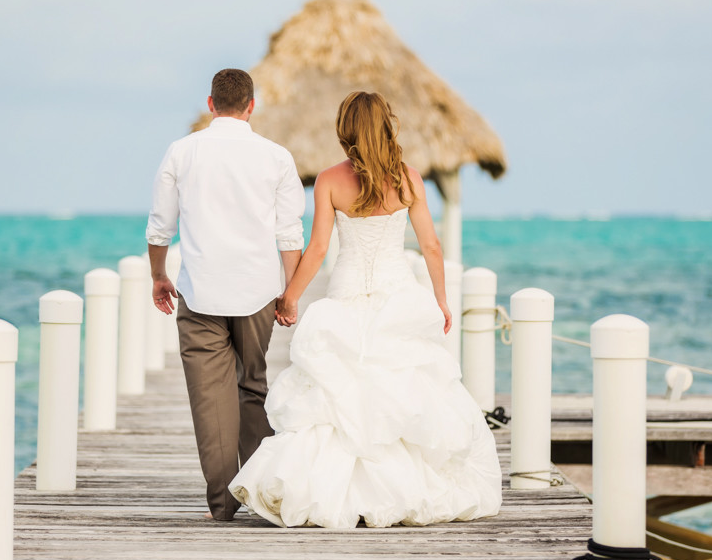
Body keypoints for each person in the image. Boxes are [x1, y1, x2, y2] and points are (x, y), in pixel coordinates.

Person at [229, 91, 502, 528]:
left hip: (348, 292)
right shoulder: (409, 178)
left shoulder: (329, 180)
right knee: (404, 390)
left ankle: (337, 493)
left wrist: (291, 296)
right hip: (399, 293)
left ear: (345, 130)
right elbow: (431, 245)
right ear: (387, 126)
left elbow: (317, 249)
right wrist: (441, 298)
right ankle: (403, 491)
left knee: (340, 394)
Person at [146, 68, 305, 521]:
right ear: (251, 106)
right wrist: (290, 294)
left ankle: (222, 504)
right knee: (252, 386)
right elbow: (289, 235)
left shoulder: (183, 151)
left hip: (199, 293)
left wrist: (159, 275)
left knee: (208, 397)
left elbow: (161, 225)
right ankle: (259, 492)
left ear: (211, 104)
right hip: (258, 293)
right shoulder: (276, 157)